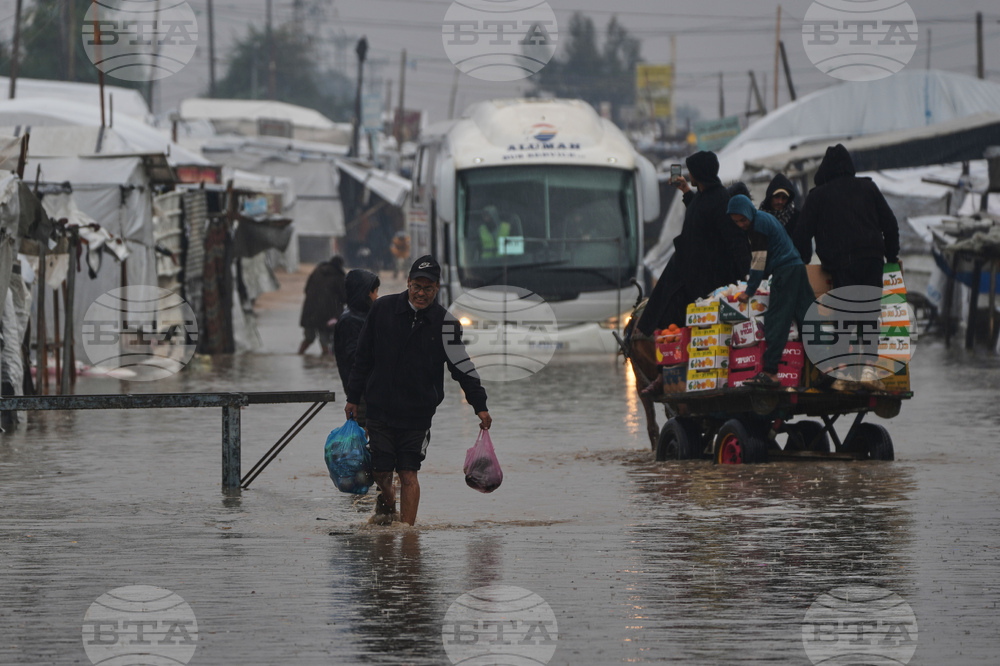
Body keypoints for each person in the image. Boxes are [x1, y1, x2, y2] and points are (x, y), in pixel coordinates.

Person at [345, 255, 492, 526]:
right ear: (408, 283)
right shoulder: (382, 310)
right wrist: (353, 398)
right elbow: (362, 358)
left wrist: (479, 405)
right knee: (381, 471)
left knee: (409, 473)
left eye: (428, 288)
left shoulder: (446, 324)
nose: (421, 293)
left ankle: (407, 535)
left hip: (418, 414)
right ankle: (387, 502)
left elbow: (462, 368)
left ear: (437, 289)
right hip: (380, 408)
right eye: (417, 287)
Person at [637, 151, 750, 335]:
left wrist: (748, 276)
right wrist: (685, 190)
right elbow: (700, 213)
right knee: (662, 301)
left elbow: (735, 240)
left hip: (706, 276)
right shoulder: (705, 196)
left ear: (700, 173)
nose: (690, 176)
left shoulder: (721, 200)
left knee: (672, 308)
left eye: (692, 172)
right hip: (689, 268)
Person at [727, 194, 815, 388]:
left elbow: (758, 263)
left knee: (777, 319)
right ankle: (825, 367)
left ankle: (770, 371)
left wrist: (749, 291)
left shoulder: (757, 226)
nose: (741, 224)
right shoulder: (764, 218)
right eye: (736, 222)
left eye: (743, 219)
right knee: (807, 316)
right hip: (797, 266)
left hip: (785, 270)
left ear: (749, 212)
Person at [793, 144, 900, 289]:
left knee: (847, 310)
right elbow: (890, 224)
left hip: (840, 265)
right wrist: (892, 256)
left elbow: (801, 235)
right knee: (869, 310)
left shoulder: (817, 196)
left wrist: (803, 261)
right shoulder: (868, 188)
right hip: (872, 261)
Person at [333, 269, 380, 427]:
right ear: (364, 293)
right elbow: (355, 358)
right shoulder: (351, 320)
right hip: (362, 393)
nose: (377, 297)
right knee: (366, 435)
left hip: (369, 391)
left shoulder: (363, 316)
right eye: (374, 292)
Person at [298, 256, 347, 355]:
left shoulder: (317, 272)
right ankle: (326, 363)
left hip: (310, 311)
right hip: (327, 313)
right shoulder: (339, 277)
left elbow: (306, 289)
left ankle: (299, 354)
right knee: (325, 339)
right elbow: (344, 297)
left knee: (309, 337)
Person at [759, 173, 800, 239]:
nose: (780, 201)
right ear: (770, 197)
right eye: (777, 196)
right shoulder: (761, 218)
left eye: (784, 198)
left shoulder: (796, 218)